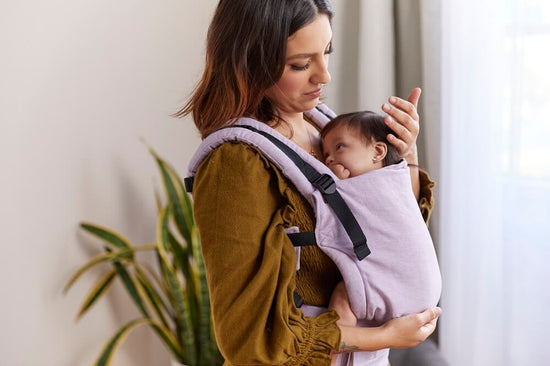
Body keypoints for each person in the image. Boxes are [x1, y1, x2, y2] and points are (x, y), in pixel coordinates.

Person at [178, 0, 441, 364]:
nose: (324, 76)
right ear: (250, 63)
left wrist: (404, 155)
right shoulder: (236, 164)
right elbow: (250, 342)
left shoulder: (325, 128)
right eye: (300, 64)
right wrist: (379, 336)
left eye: (326, 51)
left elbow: (391, 234)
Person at [320, 111, 441, 365]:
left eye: (339, 147)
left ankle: (330, 359)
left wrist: (339, 183)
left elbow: (328, 202)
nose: (329, 158)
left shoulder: (362, 185)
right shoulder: (398, 177)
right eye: (326, 153)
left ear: (378, 152)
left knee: (345, 294)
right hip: (426, 289)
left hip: (407, 287)